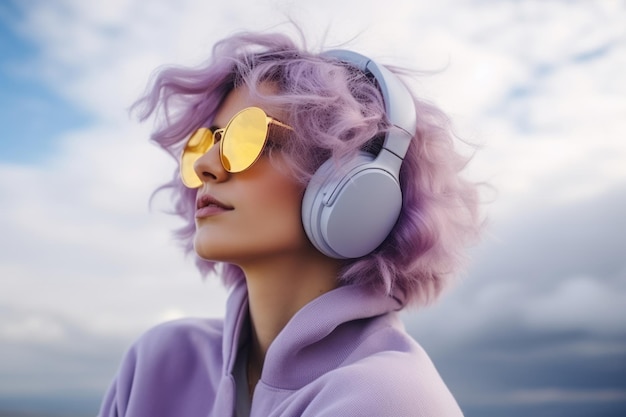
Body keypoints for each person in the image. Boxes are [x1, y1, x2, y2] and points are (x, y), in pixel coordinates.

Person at [98, 29, 481, 417]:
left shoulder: (388, 399)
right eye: (207, 142)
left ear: (350, 183)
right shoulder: (159, 362)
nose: (204, 165)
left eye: (247, 138)